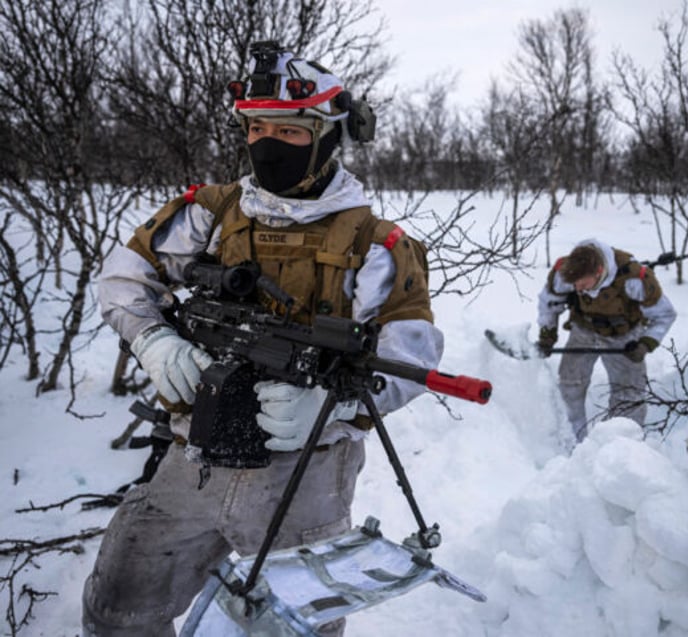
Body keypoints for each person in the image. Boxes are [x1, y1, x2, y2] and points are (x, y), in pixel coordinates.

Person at [83, 44, 443, 637]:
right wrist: (153, 341)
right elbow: (124, 277)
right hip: (192, 455)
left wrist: (340, 404)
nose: (267, 142)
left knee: (294, 627)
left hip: (307, 474)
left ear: (329, 135)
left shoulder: (379, 246)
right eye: (256, 127)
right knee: (118, 605)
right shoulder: (212, 212)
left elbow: (412, 355)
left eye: (289, 131)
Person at [537, 239, 677, 442]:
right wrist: (547, 336)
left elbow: (664, 314)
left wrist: (645, 344)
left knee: (628, 392)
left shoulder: (635, 279)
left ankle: (623, 444)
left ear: (599, 271)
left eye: (583, 285)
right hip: (583, 329)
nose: (577, 290)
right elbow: (549, 303)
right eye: (575, 285)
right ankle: (572, 437)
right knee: (570, 382)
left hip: (624, 335)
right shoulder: (565, 272)